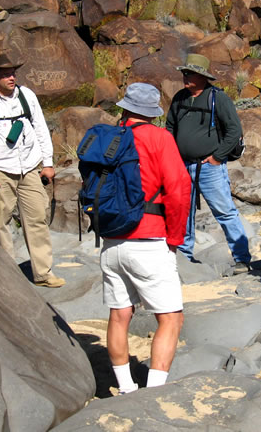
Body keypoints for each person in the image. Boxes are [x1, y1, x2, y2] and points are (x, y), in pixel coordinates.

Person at [100, 82, 191, 393]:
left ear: (124, 107)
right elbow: (179, 191)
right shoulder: (159, 137)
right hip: (150, 241)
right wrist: (175, 238)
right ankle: (153, 393)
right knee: (170, 319)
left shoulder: (110, 137)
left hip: (112, 240)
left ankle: (126, 388)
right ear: (152, 113)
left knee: (120, 313)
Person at [0, 54, 65, 288]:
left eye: (13, 73)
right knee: (0, 221)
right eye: (5, 74)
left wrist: (48, 163)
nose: (11, 77)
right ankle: (8, 277)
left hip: (29, 168)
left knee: (37, 219)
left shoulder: (27, 96)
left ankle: (43, 273)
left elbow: (41, 129)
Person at [166, 53, 252, 274]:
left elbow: (234, 131)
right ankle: (184, 257)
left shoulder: (218, 98)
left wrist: (217, 157)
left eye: (190, 74)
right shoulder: (179, 98)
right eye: (185, 73)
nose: (186, 77)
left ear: (203, 77)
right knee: (184, 212)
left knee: (224, 211)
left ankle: (242, 258)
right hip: (182, 167)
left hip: (209, 168)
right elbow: (169, 128)